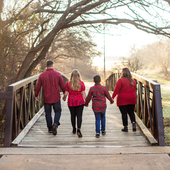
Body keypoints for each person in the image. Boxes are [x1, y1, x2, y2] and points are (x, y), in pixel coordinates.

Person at [35, 60, 65, 136]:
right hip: (56, 97)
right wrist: (65, 93)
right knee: (58, 111)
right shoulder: (58, 74)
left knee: (48, 113)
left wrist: (36, 94)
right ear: (52, 65)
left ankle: (50, 128)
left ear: (46, 66)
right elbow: (62, 85)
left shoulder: (42, 75)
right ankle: (55, 123)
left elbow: (38, 86)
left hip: (46, 97)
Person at [112, 68, 137, 132]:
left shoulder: (120, 80)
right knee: (131, 112)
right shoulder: (133, 81)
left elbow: (116, 90)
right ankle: (133, 123)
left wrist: (112, 97)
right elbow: (134, 90)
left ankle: (125, 127)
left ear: (122, 73)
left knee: (124, 113)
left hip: (123, 99)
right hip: (132, 98)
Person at [63, 69, 86, 137]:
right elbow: (83, 93)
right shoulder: (81, 83)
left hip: (71, 101)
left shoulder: (68, 83)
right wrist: (86, 101)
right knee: (79, 115)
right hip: (80, 101)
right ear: (79, 76)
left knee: (72, 115)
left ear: (72, 75)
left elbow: (66, 93)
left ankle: (74, 129)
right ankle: (79, 129)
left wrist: (64, 98)